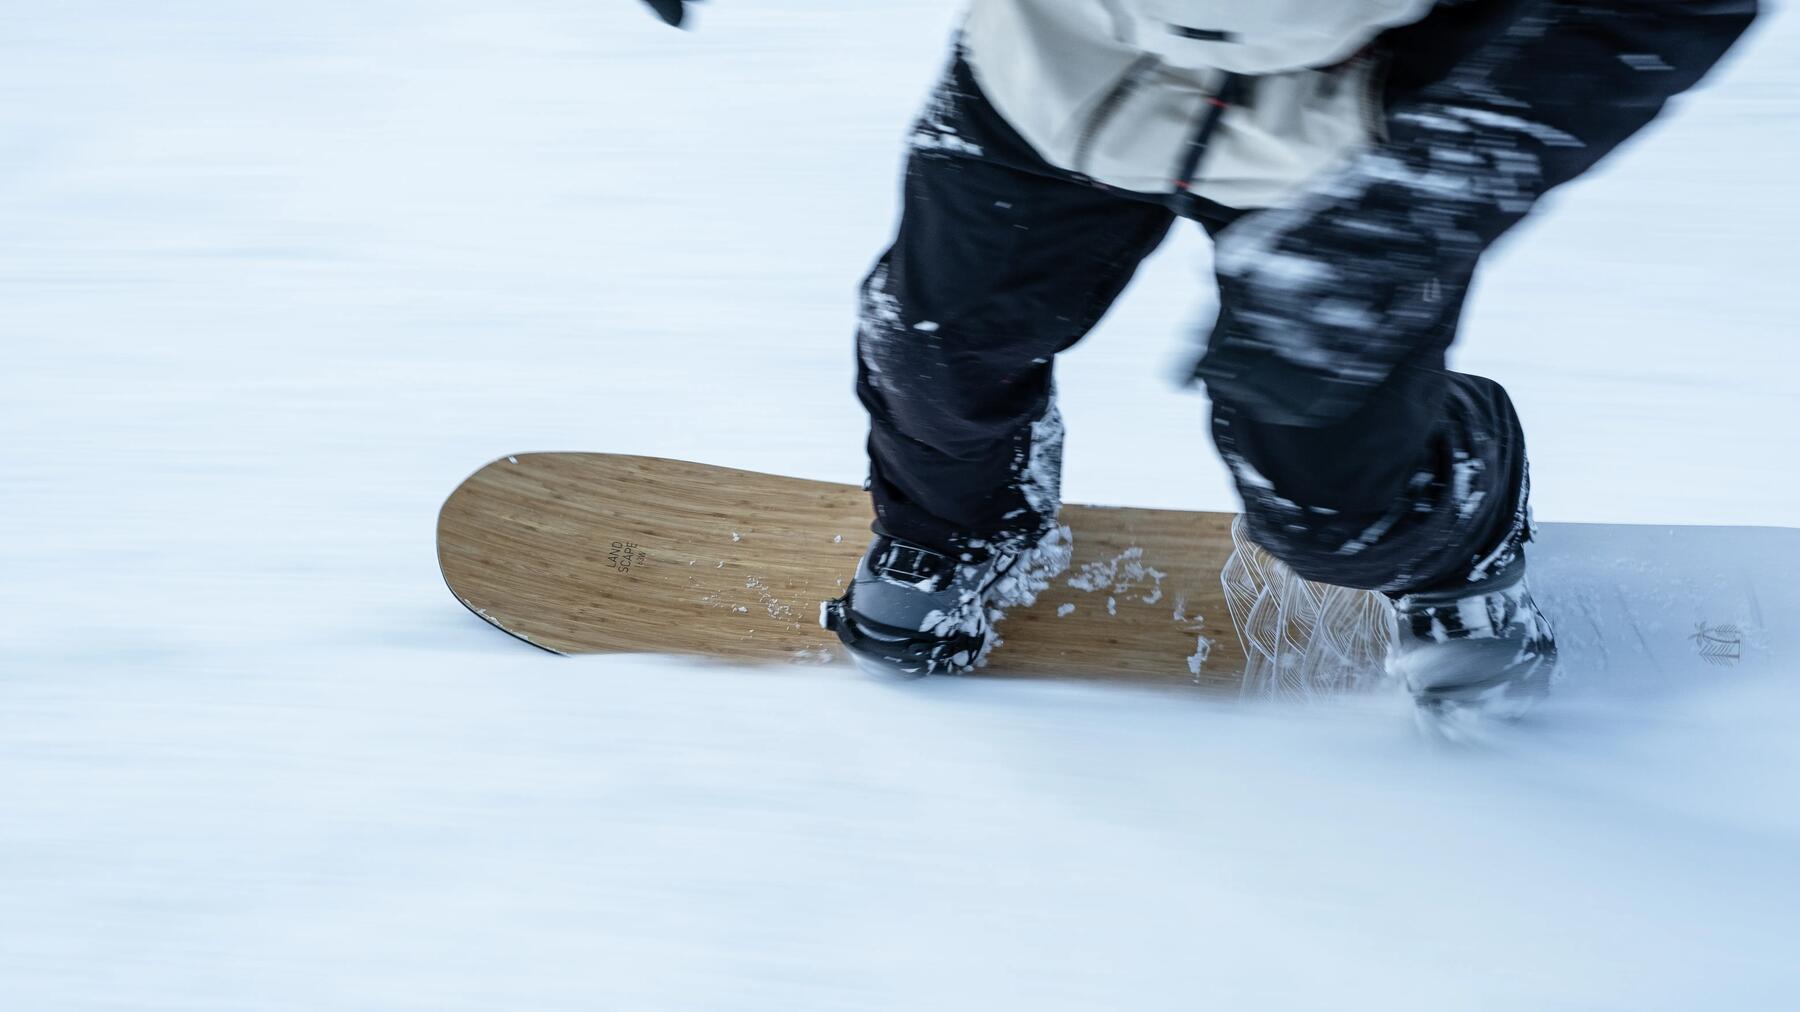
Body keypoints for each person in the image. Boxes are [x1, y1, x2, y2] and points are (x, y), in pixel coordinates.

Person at [643, 0, 1757, 724]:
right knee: (937, 340)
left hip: (1364, 129)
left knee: (1327, 493)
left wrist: (1436, 181)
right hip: (1057, 75)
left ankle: (1453, 537)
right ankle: (955, 531)